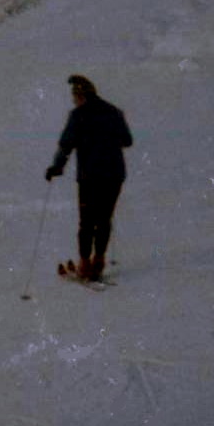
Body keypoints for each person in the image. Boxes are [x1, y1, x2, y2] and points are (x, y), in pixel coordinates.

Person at [46, 74, 133, 282]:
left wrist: (56, 167)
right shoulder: (114, 112)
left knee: (86, 221)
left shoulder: (78, 116)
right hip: (114, 175)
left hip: (90, 176)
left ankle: (85, 263)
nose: (73, 100)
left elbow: (66, 146)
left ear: (81, 94)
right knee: (104, 218)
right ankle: (99, 261)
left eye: (74, 96)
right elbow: (127, 141)